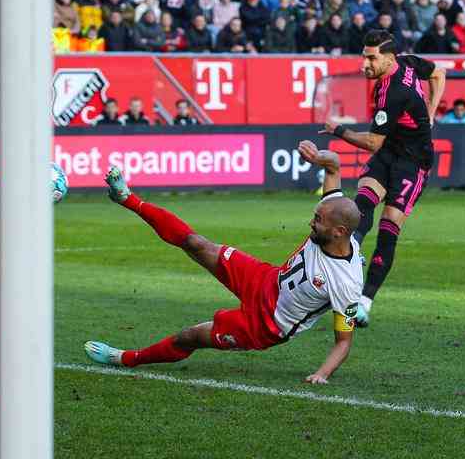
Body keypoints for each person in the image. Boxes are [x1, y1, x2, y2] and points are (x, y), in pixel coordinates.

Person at [85, 145, 366, 384]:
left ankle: (125, 358)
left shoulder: (346, 281)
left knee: (191, 335)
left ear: (338, 231)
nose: (311, 222)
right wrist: (320, 157)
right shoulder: (333, 214)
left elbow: (343, 342)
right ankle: (127, 198)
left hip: (266, 324)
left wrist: (322, 374)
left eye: (318, 221)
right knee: (197, 243)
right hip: (264, 278)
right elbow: (334, 167)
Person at [319, 30, 447, 321]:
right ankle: (346, 262)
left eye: (371, 58)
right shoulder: (409, 63)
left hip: (413, 163)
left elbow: (372, 142)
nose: (365, 63)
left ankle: (365, 301)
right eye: (364, 56)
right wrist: (431, 109)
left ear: (389, 59)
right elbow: (438, 73)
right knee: (361, 206)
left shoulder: (392, 92)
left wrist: (338, 130)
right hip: (390, 153)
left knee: (389, 226)